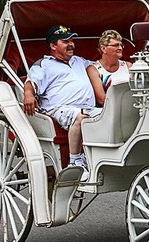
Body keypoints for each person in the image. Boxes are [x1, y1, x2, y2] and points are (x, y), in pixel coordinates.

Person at [23, 25, 100, 187]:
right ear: (53, 46)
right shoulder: (44, 64)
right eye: (65, 41)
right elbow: (31, 82)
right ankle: (75, 161)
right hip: (60, 109)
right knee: (81, 117)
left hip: (89, 107)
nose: (71, 44)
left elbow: (100, 66)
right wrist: (28, 94)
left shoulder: (80, 61)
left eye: (72, 40)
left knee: (109, 114)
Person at [87, 29, 129, 107]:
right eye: (116, 45)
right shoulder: (93, 69)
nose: (120, 48)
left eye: (121, 45)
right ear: (103, 49)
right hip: (109, 110)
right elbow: (102, 100)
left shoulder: (128, 66)